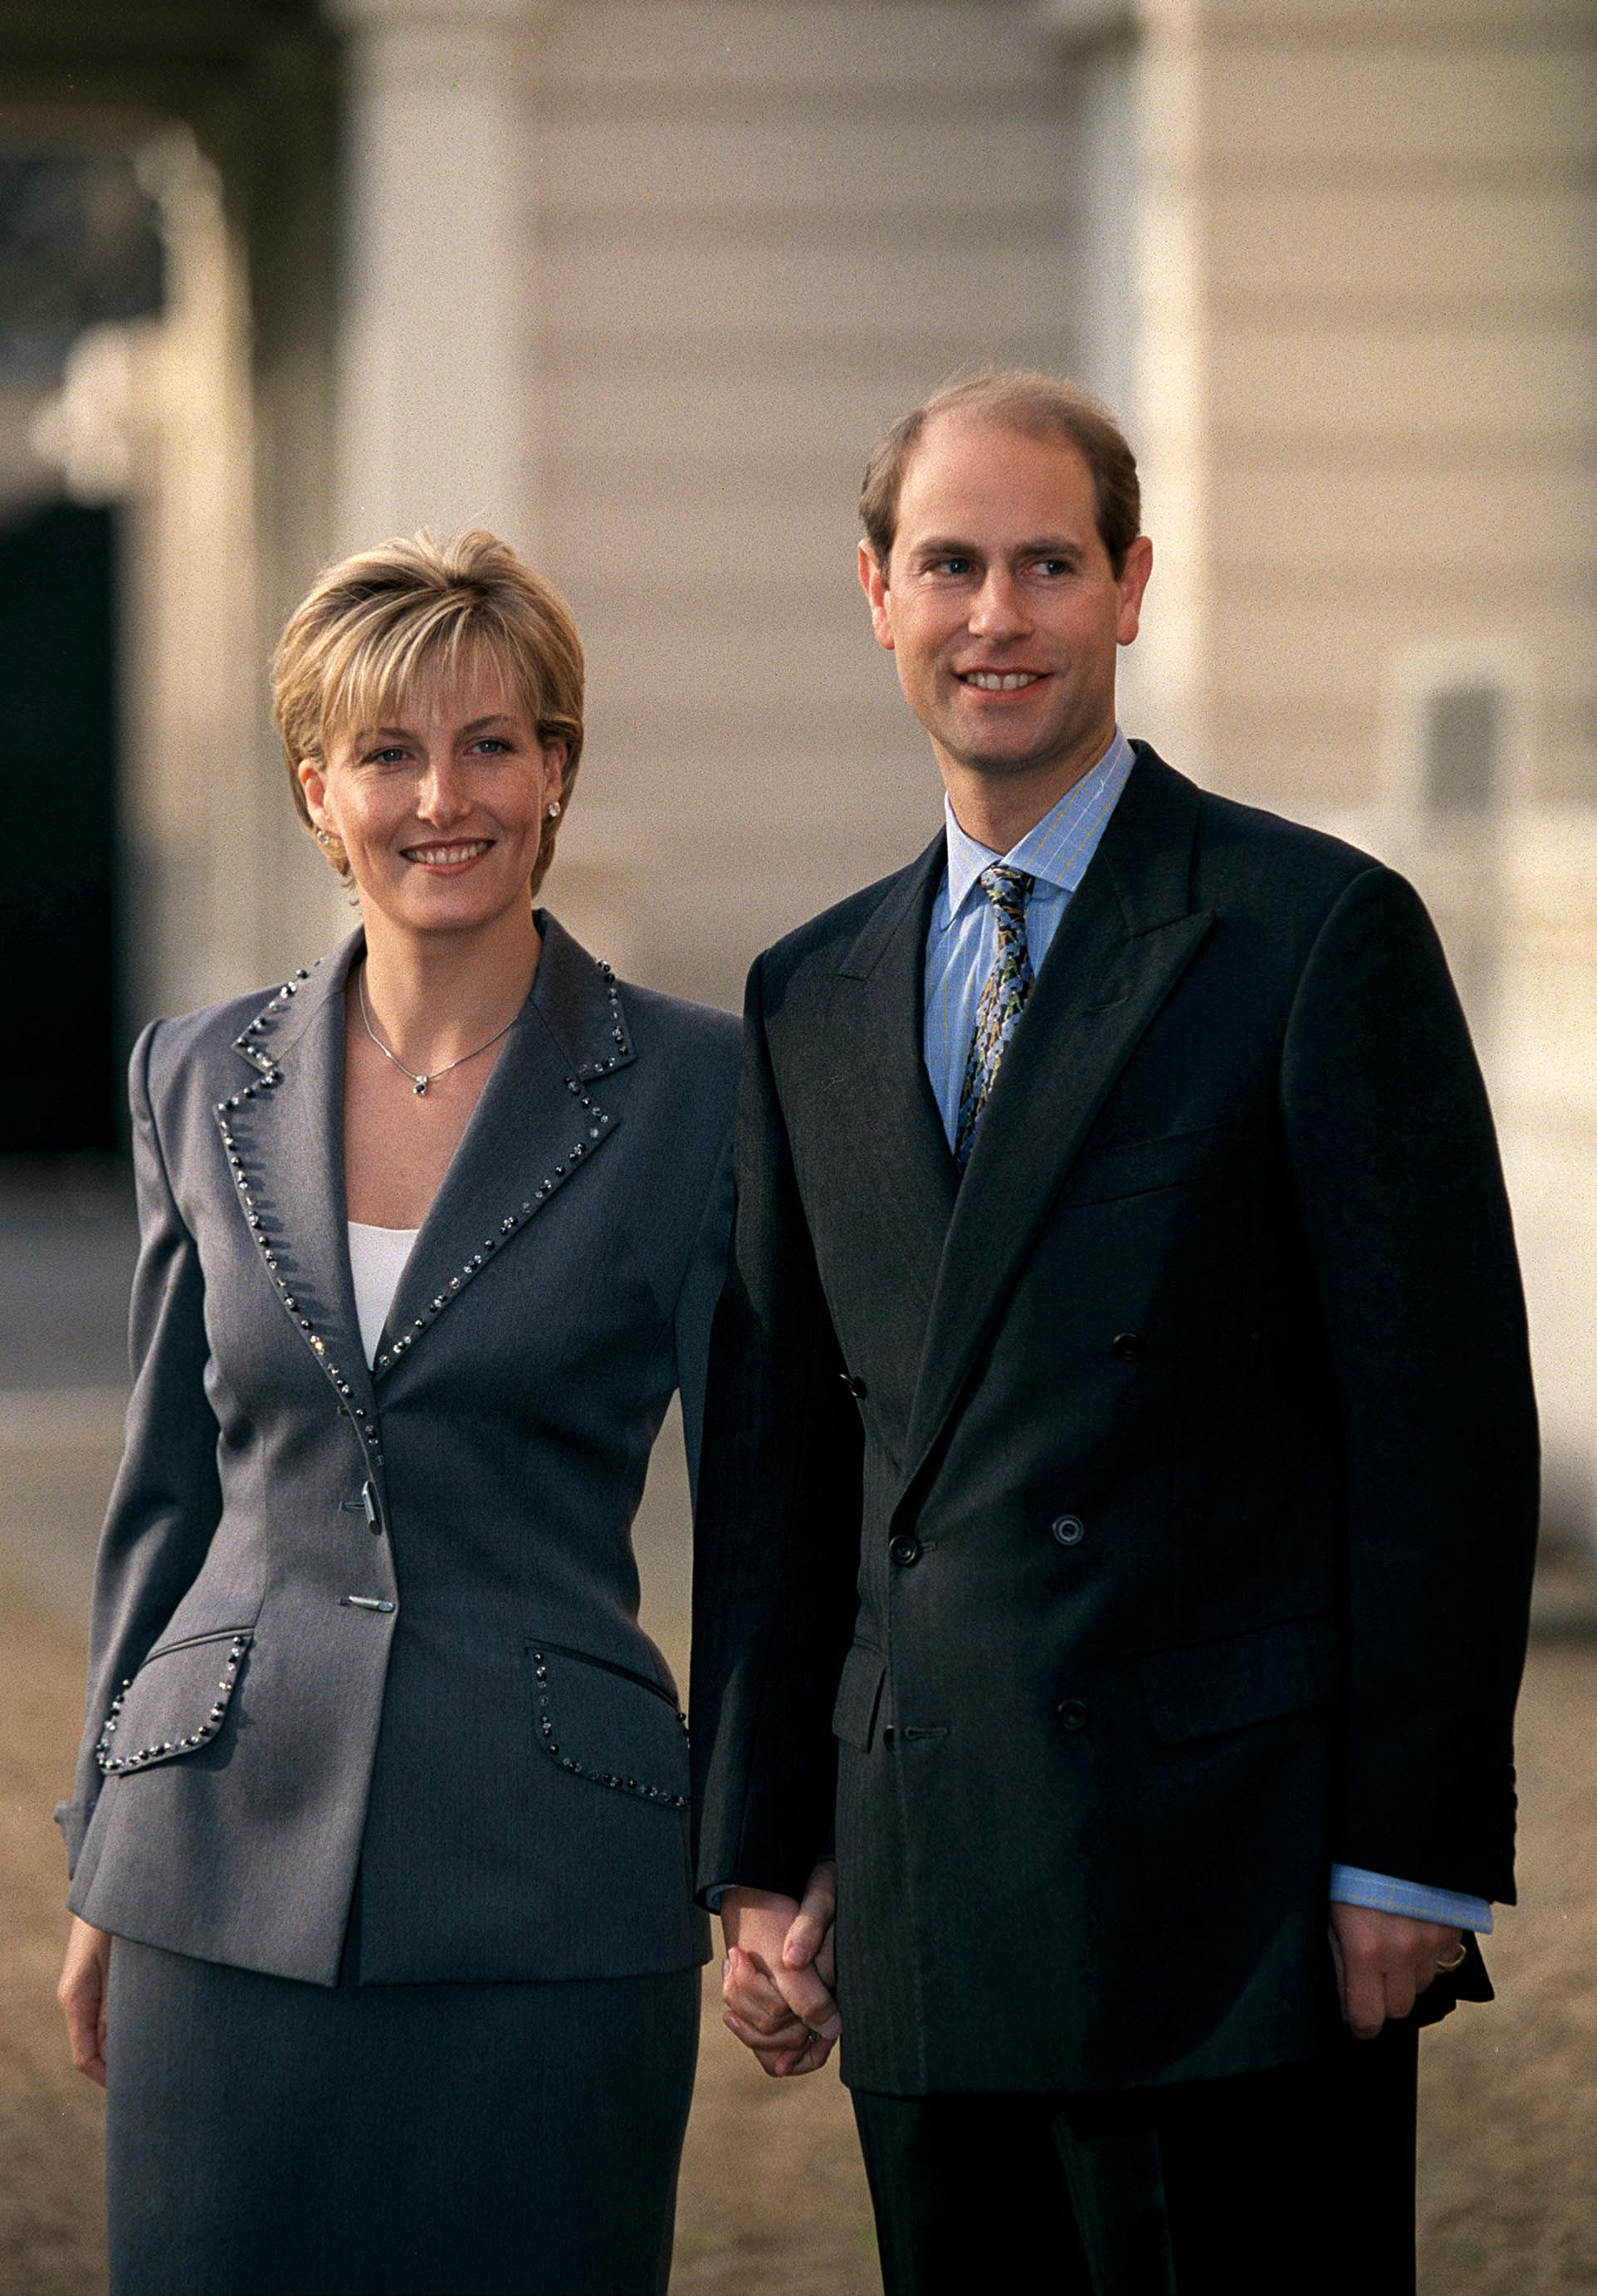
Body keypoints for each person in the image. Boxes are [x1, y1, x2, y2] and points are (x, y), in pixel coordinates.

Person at [690, 374, 1539, 2296]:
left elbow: (1440, 1437)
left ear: (1130, 586)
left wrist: (1405, 1856)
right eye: (950, 565)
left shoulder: (1307, 932)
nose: (997, 614)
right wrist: (760, 1850)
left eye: (1047, 563)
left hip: (1230, 1892)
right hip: (925, 1887)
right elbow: (777, 1474)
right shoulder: (804, 991)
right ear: (874, 596)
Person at [55, 529, 739, 2296]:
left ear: (559, 767)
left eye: (492, 742)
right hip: (212, 1850)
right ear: (316, 790)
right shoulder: (193, 1073)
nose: (444, 796)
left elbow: (771, 1514)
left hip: (553, 1872)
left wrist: (761, 1861)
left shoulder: (697, 1089)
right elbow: (164, 1493)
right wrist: (97, 1841)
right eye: (387, 752)